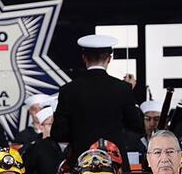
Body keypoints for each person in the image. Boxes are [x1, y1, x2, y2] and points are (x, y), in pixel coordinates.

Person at [51, 34, 143, 162]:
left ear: (84, 58)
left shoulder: (69, 90)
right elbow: (138, 127)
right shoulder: (123, 89)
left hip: (82, 164)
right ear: (109, 59)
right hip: (115, 165)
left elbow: (58, 133)